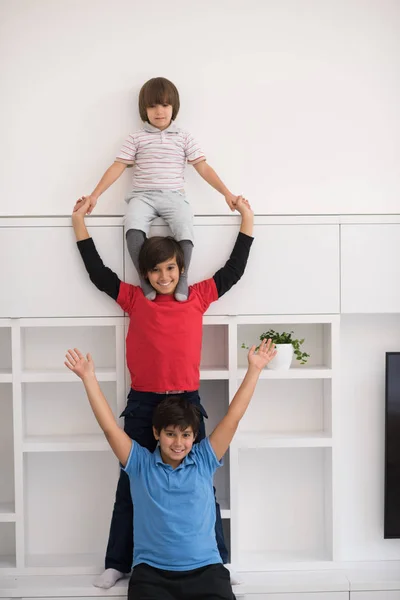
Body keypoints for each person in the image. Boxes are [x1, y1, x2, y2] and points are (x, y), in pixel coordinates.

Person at [71, 195, 254, 588]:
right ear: (146, 274)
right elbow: (98, 273)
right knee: (130, 483)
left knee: (202, 483)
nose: (164, 276)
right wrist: (79, 225)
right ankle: (118, 561)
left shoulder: (199, 297)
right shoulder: (135, 299)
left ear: (180, 268)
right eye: (155, 270)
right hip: (144, 401)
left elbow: (234, 270)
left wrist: (247, 219)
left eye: (170, 268)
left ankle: (216, 560)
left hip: (187, 399)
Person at [64, 338, 276, 600]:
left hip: (207, 571)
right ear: (156, 433)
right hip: (152, 576)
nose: (178, 443)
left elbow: (233, 418)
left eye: (185, 435)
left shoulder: (203, 459)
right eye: (170, 434)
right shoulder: (140, 464)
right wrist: (88, 378)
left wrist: (254, 370)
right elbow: (109, 428)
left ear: (194, 436)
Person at [76, 76, 240, 301]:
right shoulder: (136, 138)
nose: (159, 111)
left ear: (174, 107)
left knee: (185, 225)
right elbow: (117, 167)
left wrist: (227, 194)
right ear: (144, 110)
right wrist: (95, 195)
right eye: (152, 106)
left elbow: (203, 168)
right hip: (143, 197)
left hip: (173, 196)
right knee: (132, 226)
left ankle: (182, 277)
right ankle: (145, 278)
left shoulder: (184, 138)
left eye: (164, 105)